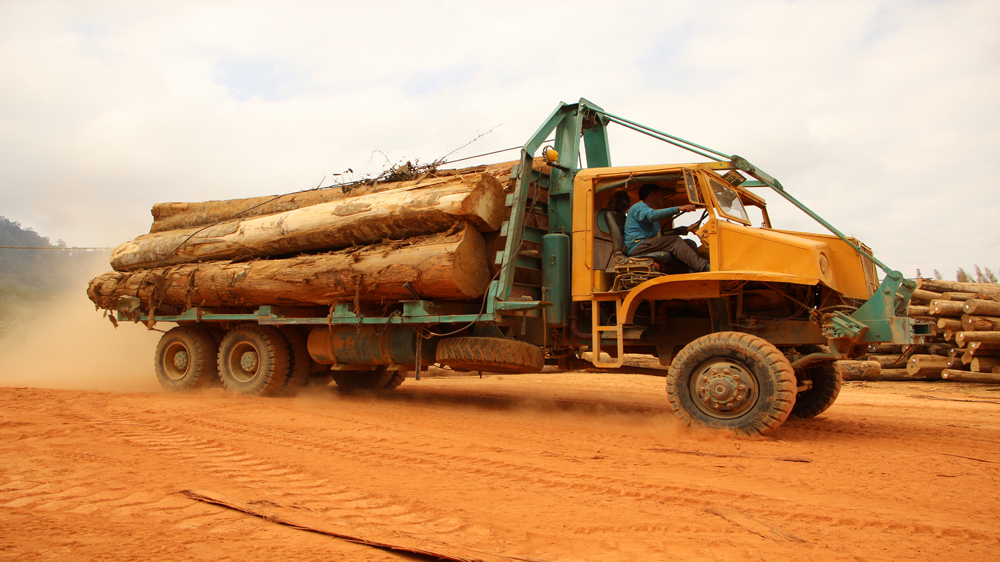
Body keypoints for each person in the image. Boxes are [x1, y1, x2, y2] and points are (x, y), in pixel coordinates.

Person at [624, 184, 710, 272]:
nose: (662, 198)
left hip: (647, 244)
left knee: (690, 243)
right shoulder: (639, 207)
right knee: (674, 241)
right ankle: (705, 267)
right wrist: (678, 208)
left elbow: (658, 235)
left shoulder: (648, 210)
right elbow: (651, 216)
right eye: (660, 195)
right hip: (637, 246)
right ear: (652, 195)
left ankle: (692, 270)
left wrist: (678, 230)